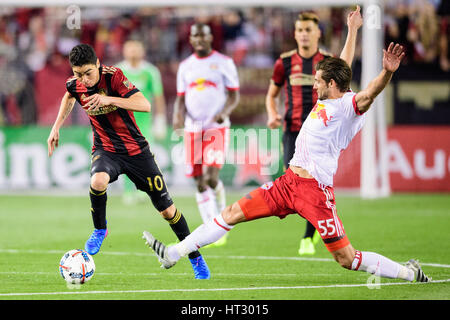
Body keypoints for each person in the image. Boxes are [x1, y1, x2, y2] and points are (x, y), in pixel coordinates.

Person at [143, 42, 432, 284]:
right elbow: (341, 66)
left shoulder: (348, 107)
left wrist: (386, 72)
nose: (314, 83)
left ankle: (408, 272)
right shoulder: (328, 97)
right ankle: (173, 254)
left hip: (315, 192)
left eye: (318, 80)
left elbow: (369, 94)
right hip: (287, 184)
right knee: (231, 212)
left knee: (346, 258)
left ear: (331, 84)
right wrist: (353, 30)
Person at [47, 43, 210, 279]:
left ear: (98, 65)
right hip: (106, 150)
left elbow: (145, 104)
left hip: (137, 152)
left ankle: (196, 258)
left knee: (167, 210)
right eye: (78, 74)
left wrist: (108, 100)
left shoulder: (114, 77)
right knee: (98, 180)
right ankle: (100, 229)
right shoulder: (75, 83)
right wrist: (56, 127)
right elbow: (69, 96)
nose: (83, 79)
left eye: (88, 73)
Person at [266, 7, 363, 256]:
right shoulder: (285, 62)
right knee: (291, 179)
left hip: (322, 132)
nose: (303, 35)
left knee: (313, 183)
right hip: (293, 130)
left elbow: (345, 65)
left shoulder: (328, 62)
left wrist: (352, 30)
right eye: (299, 30)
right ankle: (312, 226)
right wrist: (272, 114)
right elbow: (272, 94)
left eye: (308, 30)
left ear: (317, 33)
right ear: (295, 34)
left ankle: (309, 236)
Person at [173, 23, 240, 246]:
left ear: (211, 38)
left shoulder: (224, 63)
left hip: (216, 127)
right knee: (199, 182)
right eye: (195, 36)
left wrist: (224, 112)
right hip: (193, 128)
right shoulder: (185, 66)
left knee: (211, 178)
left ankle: (222, 215)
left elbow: (233, 96)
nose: (199, 39)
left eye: (203, 35)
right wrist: (177, 117)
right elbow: (181, 98)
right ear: (191, 40)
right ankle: (211, 227)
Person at [115, 40, 168, 205]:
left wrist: (160, 120)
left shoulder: (150, 71)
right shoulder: (117, 71)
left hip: (144, 123)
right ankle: (128, 192)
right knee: (125, 157)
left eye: (136, 48)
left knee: (145, 157)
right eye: (129, 48)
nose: (133, 52)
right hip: (123, 122)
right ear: (124, 51)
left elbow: (158, 96)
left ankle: (145, 190)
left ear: (142, 51)